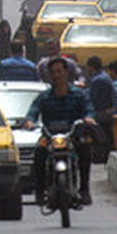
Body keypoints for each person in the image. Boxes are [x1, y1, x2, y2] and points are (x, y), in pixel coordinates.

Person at [23, 58, 96, 205]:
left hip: (73, 135)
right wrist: (29, 121)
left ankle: (84, 189)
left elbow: (88, 109)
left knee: (85, 148)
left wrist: (88, 118)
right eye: (53, 72)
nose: (57, 75)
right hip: (50, 136)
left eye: (59, 71)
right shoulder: (44, 97)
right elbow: (33, 111)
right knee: (39, 151)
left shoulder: (78, 94)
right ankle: (40, 190)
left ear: (66, 72)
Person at [84, 56, 116, 156]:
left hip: (101, 112)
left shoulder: (98, 80)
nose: (86, 69)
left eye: (87, 67)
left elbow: (92, 98)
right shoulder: (103, 76)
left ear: (92, 67)